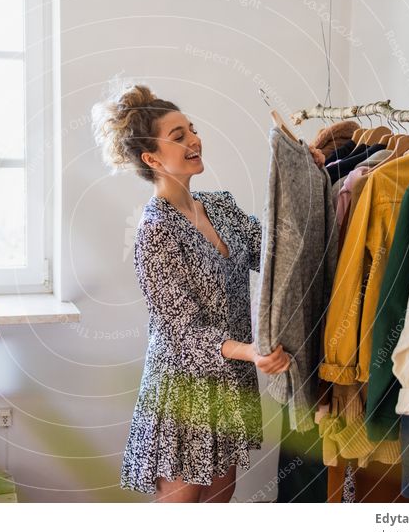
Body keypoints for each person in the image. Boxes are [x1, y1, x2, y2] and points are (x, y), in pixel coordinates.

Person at [91, 83, 291, 503]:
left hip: (229, 383)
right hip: (184, 390)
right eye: (178, 136)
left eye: (192, 130)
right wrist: (252, 351)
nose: (194, 140)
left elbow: (275, 254)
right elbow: (183, 331)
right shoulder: (155, 231)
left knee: (221, 500)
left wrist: (306, 176)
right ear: (151, 158)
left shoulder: (220, 206)